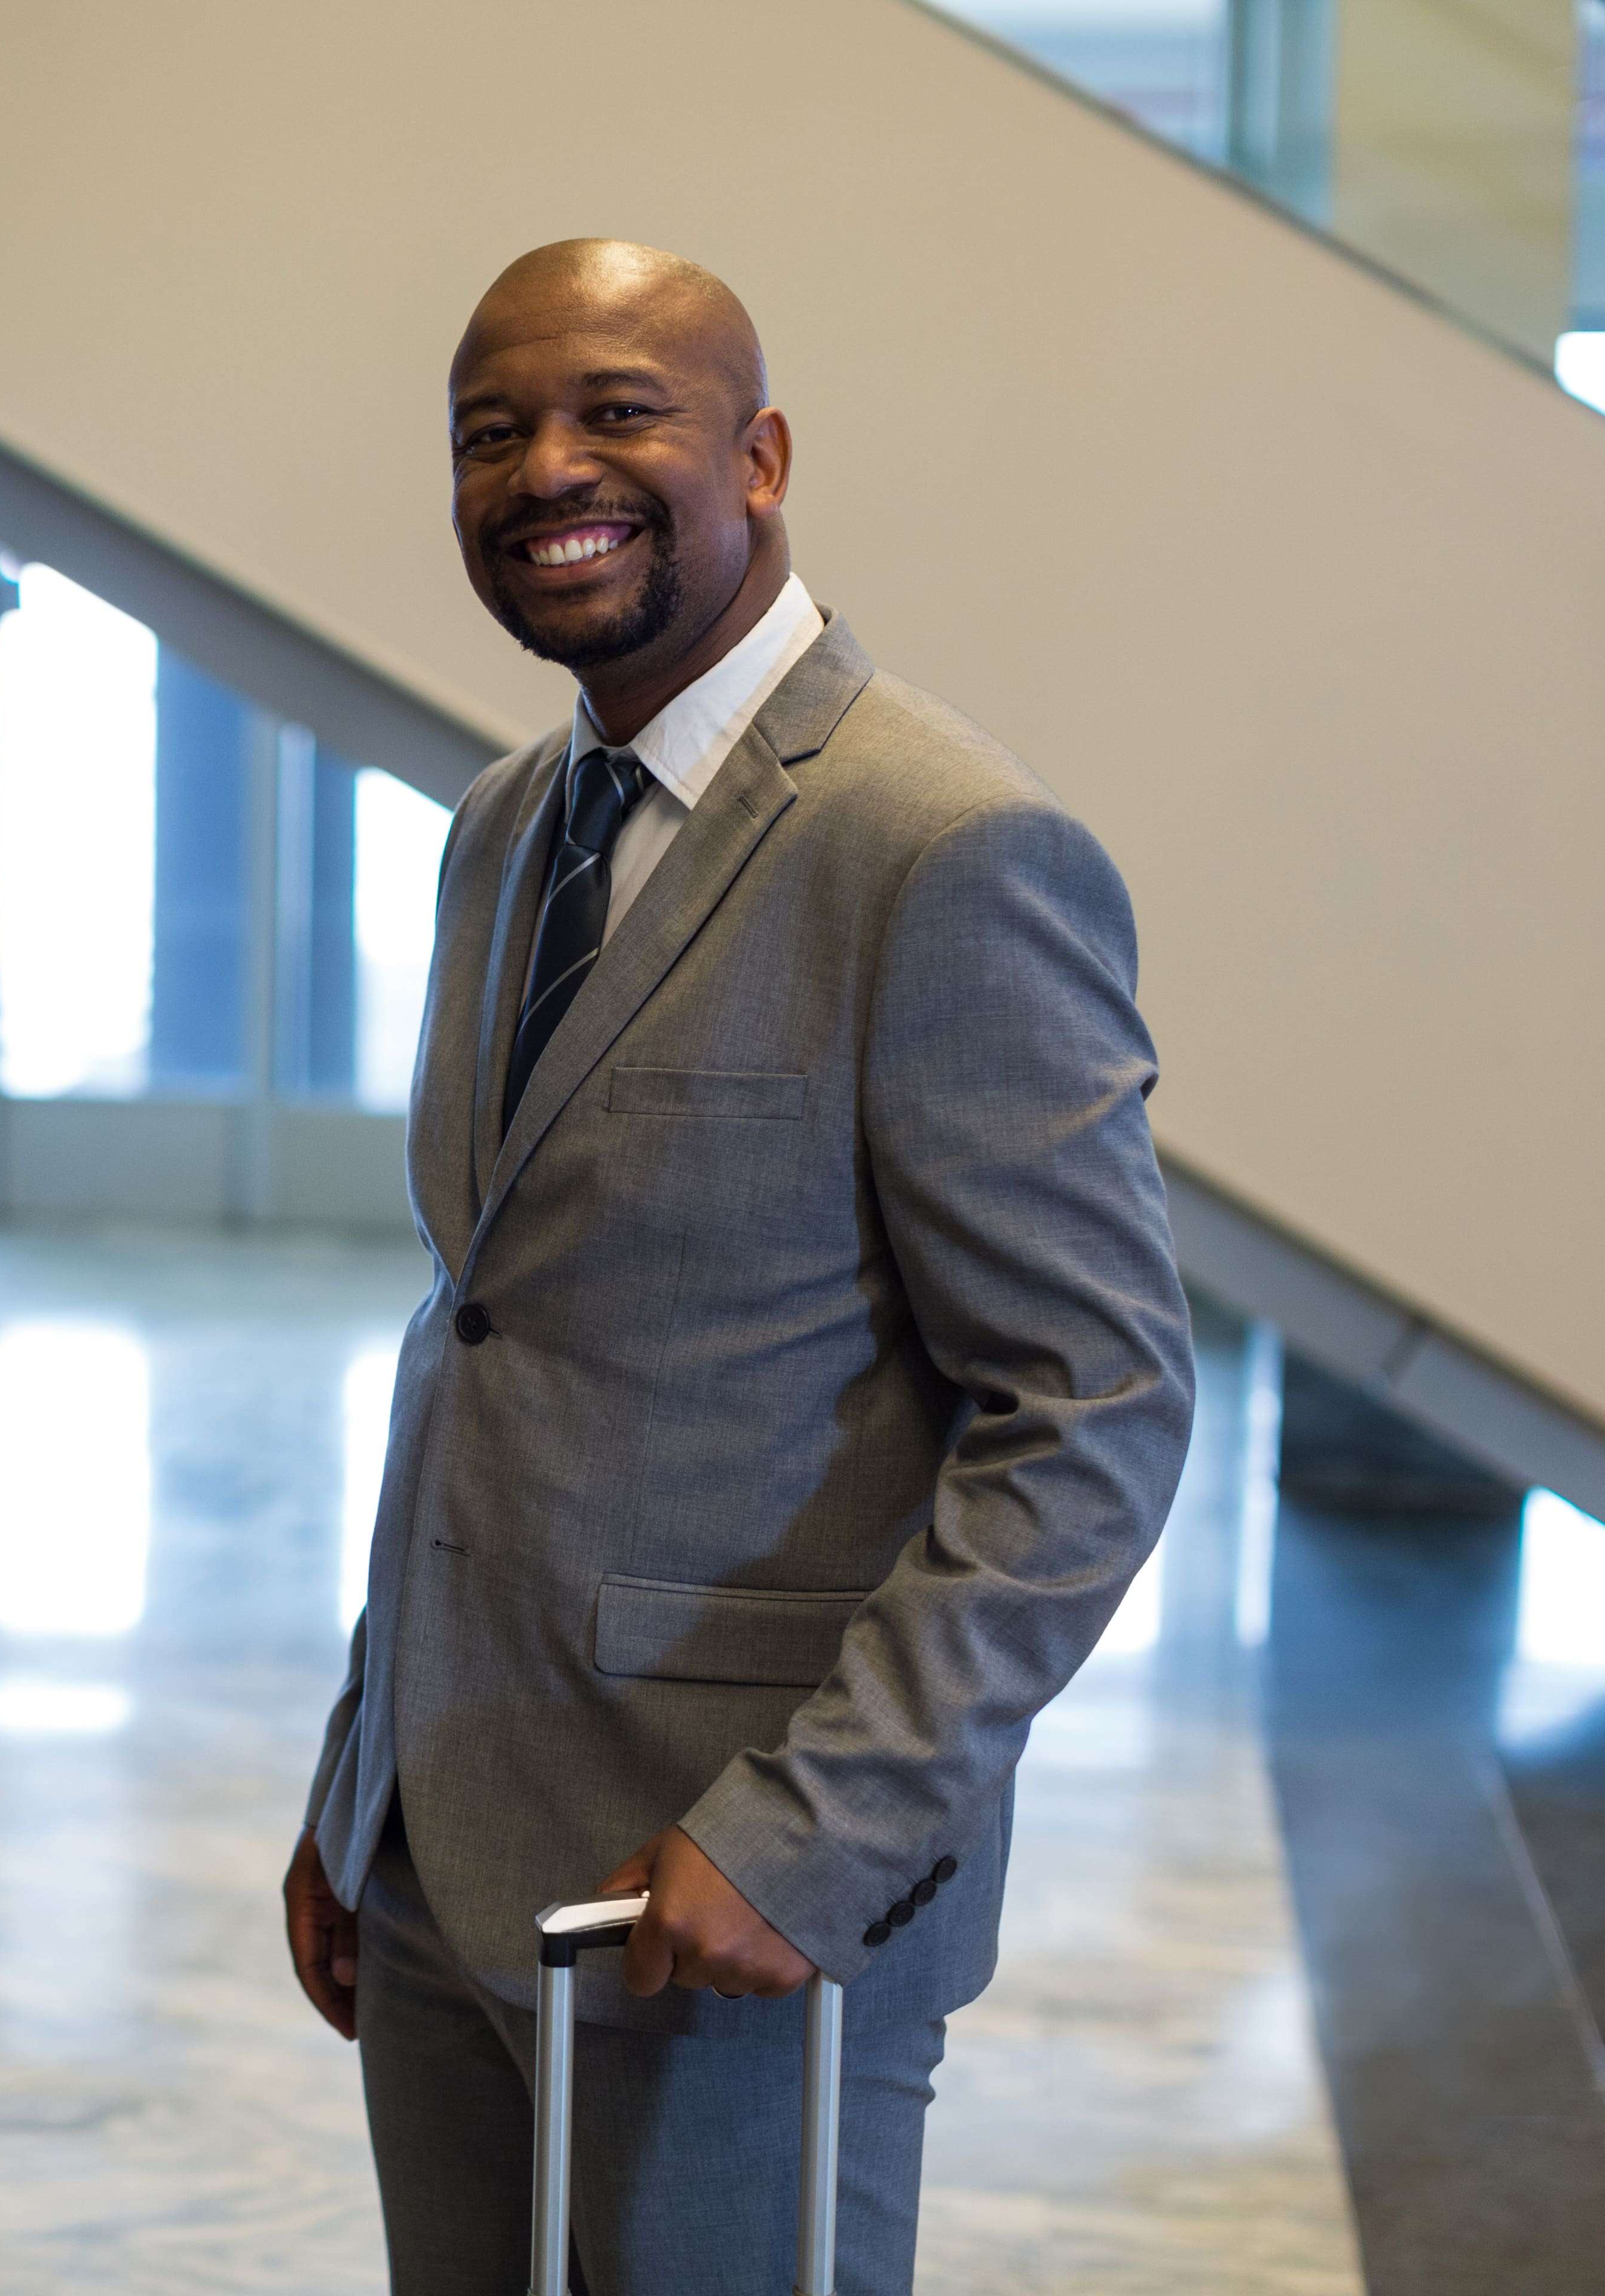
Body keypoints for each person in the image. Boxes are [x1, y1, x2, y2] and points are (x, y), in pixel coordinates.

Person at [282, 240, 1196, 2292]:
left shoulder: (942, 849)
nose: (547, 468)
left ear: (760, 455)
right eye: (489, 432)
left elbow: (1097, 1410)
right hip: (447, 1877)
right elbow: (494, 1337)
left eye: (618, 411)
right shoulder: (512, 823)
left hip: (734, 1907)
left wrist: (813, 1836)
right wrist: (372, 1782)